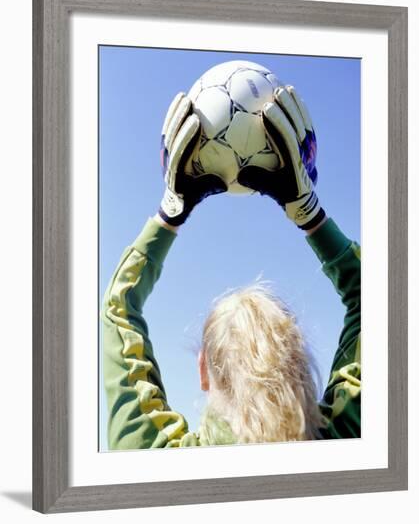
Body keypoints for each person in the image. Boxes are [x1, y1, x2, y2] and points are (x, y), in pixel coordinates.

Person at [101, 86, 361, 450]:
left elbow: (118, 309)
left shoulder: (152, 457)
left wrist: (170, 212)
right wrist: (308, 211)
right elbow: (389, 302)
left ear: (203, 369)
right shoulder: (350, 437)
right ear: (300, 363)